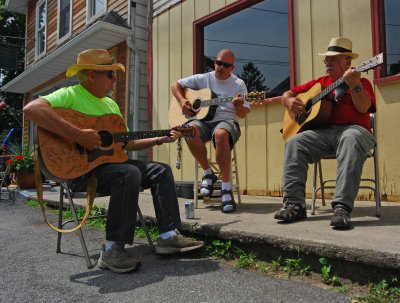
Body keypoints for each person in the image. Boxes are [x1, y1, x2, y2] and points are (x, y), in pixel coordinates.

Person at [23, 49, 204, 274]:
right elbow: (31, 109)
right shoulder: (70, 95)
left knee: (160, 170)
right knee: (128, 173)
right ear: (92, 75)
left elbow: (125, 143)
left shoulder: (111, 106)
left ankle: (168, 236)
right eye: (110, 74)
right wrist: (78, 135)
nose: (114, 79)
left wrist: (159, 139)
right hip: (79, 171)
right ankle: (112, 249)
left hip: (111, 168)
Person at [274, 37, 376, 229]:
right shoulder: (319, 84)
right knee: (295, 142)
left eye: (333, 59)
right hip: (323, 134)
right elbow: (287, 94)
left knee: (351, 138)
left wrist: (355, 86)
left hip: (354, 131)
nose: (327, 63)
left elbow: (364, 109)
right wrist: (288, 101)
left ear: (347, 62)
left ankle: (341, 208)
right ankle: (294, 205)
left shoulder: (362, 83)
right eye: (326, 60)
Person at [171, 49, 250, 213]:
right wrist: (183, 101)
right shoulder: (203, 78)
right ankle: (208, 173)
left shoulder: (239, 85)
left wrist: (239, 106)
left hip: (227, 121)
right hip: (203, 121)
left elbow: (242, 114)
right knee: (188, 130)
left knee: (221, 134)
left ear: (232, 68)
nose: (220, 67)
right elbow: (175, 85)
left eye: (225, 65)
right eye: (218, 63)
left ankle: (226, 189)